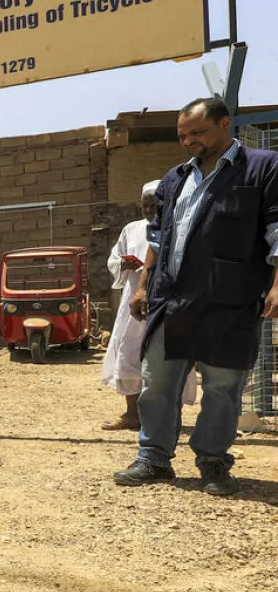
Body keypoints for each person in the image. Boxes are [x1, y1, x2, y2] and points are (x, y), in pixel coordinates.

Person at [115, 97, 278, 496]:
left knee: (222, 387)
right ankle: (153, 458)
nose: (189, 141)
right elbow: (158, 236)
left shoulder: (262, 168)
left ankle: (213, 462)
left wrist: (277, 285)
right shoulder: (175, 178)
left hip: (230, 299)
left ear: (225, 123)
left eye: (197, 133)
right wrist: (143, 284)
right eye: (183, 135)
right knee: (157, 382)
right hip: (172, 299)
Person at [101, 181, 195, 430]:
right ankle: (132, 414)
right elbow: (113, 259)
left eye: (154, 205)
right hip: (134, 302)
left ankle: (169, 418)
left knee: (170, 358)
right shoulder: (131, 229)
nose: (149, 210)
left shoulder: (181, 227)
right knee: (129, 354)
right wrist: (123, 264)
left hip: (168, 303)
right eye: (145, 206)